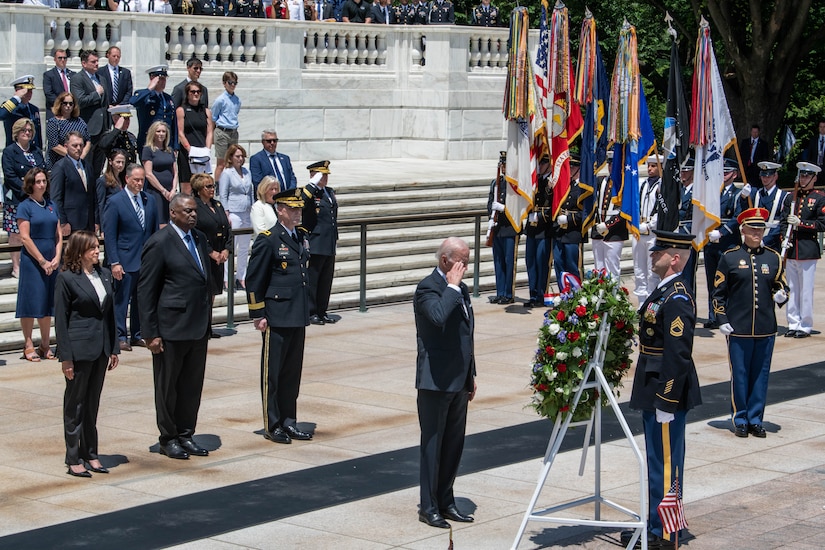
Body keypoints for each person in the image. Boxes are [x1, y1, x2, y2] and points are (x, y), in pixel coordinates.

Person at [628, 230, 701, 549]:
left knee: (667, 463)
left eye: (659, 252)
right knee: (657, 462)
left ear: (675, 259)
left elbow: (678, 352)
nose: (652, 255)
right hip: (653, 384)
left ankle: (667, 533)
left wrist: (667, 400)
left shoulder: (678, 296)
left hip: (665, 389)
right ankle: (655, 523)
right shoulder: (663, 291)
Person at [138, 194, 212, 460]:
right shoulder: (159, 243)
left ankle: (185, 433)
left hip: (197, 327)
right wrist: (150, 333)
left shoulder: (200, 239)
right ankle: (168, 437)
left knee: (192, 385)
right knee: (168, 386)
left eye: (194, 211)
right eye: (187, 211)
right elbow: (146, 291)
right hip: (170, 328)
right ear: (173, 213)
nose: (192, 215)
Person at [414, 237, 476, 529]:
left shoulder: (460, 290)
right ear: (445, 261)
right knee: (433, 446)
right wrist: (451, 286)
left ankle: (446, 500)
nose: (466, 267)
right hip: (435, 381)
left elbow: (466, 336)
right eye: (462, 261)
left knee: (454, 445)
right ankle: (429, 506)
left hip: (458, 381)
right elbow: (438, 317)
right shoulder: (429, 288)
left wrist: (470, 375)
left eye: (468, 261)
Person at [712, 208, 788, 438]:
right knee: (741, 375)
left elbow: (780, 284)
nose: (757, 233)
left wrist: (782, 294)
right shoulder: (730, 257)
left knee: (760, 375)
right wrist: (721, 319)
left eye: (760, 229)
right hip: (739, 327)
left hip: (765, 327)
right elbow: (718, 293)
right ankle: (741, 418)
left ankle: (756, 419)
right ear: (743, 230)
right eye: (753, 229)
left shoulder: (773, 257)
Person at [246, 188, 313, 445]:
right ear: (280, 210)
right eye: (292, 209)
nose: (298, 213)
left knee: (291, 374)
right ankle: (272, 424)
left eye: (299, 209)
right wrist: (258, 313)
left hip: (296, 313)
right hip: (276, 315)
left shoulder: (300, 236)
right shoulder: (268, 239)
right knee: (272, 375)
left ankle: (289, 421)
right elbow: (255, 279)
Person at [55, 230, 119, 478]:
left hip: (101, 348)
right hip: (79, 349)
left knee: (92, 404)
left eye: (97, 247)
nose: (96, 251)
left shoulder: (103, 275)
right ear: (79, 251)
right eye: (91, 248)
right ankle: (73, 457)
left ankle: (90, 452)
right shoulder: (67, 279)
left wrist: (113, 347)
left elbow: (110, 315)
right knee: (76, 405)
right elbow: (61, 321)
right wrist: (66, 357)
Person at [103, 164, 159, 351]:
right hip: (125, 259)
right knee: (121, 300)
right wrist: (114, 262)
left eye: (142, 179)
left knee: (140, 299)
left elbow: (153, 231)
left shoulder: (149, 200)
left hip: (145, 260)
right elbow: (110, 234)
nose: (139, 183)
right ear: (127, 179)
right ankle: (120, 336)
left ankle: (137, 334)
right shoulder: (116, 201)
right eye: (136, 179)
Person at [16, 168, 62, 362]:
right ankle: (28, 343)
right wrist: (41, 260)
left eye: (43, 181)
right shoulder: (25, 206)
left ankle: (45, 344)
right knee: (31, 302)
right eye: (38, 182)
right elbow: (25, 237)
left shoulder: (51, 204)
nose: (41, 185)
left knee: (47, 302)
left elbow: (58, 234)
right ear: (31, 184)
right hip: (33, 261)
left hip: (52, 259)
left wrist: (57, 257)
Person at [783, 162, 825, 339]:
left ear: (814, 178)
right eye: (802, 176)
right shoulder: (791, 197)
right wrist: (783, 241)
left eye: (807, 176)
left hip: (807, 249)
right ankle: (793, 322)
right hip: (792, 249)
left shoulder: (819, 198)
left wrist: (802, 224)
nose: (803, 179)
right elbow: (783, 222)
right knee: (792, 288)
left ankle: (805, 325)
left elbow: (822, 224)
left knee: (806, 291)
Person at [2, 118, 47, 278]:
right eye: (24, 130)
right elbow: (10, 176)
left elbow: (43, 169)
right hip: (16, 198)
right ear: (17, 133)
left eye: (29, 130)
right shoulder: (9, 151)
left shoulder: (35, 151)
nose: (27, 133)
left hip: (36, 198)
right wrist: (28, 189)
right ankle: (16, 266)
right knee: (16, 234)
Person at [703, 158, 742, 329]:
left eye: (727, 172)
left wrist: (722, 232)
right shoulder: (712, 192)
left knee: (729, 280)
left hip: (727, 242)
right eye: (722, 172)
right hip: (711, 242)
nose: (724, 175)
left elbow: (738, 218)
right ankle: (714, 316)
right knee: (712, 281)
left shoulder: (738, 194)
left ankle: (730, 314)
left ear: (734, 174)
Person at [192, 172, 232, 336]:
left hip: (219, 255)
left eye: (213, 186)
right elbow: (195, 231)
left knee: (213, 292)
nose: (212, 189)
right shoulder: (195, 206)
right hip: (204, 254)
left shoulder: (217, 205)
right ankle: (199, 328)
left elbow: (227, 229)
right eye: (208, 187)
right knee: (203, 293)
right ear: (199, 189)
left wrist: (226, 249)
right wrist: (210, 252)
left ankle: (207, 327)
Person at [301, 161, 339, 325]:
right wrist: (311, 184)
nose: (325, 178)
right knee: (314, 279)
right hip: (316, 242)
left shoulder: (329, 192)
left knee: (326, 279)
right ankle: (311, 311)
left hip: (329, 242)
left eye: (326, 175)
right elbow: (301, 203)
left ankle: (322, 310)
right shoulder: (309, 192)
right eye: (321, 174)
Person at [51, 131, 103, 237]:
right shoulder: (60, 167)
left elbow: (93, 195)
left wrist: (96, 220)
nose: (78, 148)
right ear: (66, 146)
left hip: (88, 223)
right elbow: (56, 197)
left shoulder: (87, 166)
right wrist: (63, 222)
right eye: (74, 145)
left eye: (81, 145)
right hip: (71, 223)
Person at [70, 49, 111, 178]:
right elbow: (80, 101)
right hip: (88, 128)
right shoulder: (77, 79)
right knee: (86, 163)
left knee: (98, 165)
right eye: (93, 62)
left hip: (102, 129)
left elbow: (106, 103)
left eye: (97, 61)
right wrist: (96, 94)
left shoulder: (102, 79)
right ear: (84, 63)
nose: (96, 64)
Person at [219, 144, 254, 290]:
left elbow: (251, 191)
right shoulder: (227, 173)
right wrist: (225, 212)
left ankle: (242, 277)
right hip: (234, 212)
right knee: (232, 247)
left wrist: (252, 207)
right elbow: (223, 194)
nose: (240, 159)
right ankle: (227, 278)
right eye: (237, 156)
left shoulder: (246, 172)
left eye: (242, 156)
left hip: (246, 212)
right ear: (231, 157)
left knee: (244, 247)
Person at [738, 161, 790, 252]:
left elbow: (782, 223)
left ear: (775, 176)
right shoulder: (756, 193)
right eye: (763, 176)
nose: (765, 179)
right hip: (755, 239)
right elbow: (745, 211)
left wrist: (765, 240)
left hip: (774, 242)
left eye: (768, 176)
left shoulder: (784, 196)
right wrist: (743, 197)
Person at [591, 156, 627, 280]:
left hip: (615, 230)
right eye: (610, 164)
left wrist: (607, 225)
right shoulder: (601, 181)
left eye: (614, 164)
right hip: (598, 227)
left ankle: (613, 295)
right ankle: (599, 294)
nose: (611, 167)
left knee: (612, 268)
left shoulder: (624, 184)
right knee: (598, 266)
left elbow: (624, 211)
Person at [631, 155, 662, 302]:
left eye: (654, 166)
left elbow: (662, 210)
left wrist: (650, 225)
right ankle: (641, 301)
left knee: (652, 271)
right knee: (639, 269)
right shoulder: (642, 184)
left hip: (652, 234)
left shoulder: (662, 186)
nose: (649, 169)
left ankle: (651, 301)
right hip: (639, 232)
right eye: (648, 165)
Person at [487, 159, 517, 304]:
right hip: (497, 228)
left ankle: (508, 293)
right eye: (502, 165)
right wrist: (490, 217)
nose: (503, 168)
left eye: (506, 165)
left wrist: (504, 209)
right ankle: (500, 292)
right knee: (498, 261)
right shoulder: (495, 183)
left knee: (509, 261)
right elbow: (490, 202)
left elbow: (518, 206)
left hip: (509, 228)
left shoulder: (514, 185)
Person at [175, 81, 213, 195]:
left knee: (202, 185)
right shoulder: (181, 110)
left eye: (198, 92)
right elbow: (180, 133)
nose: (196, 94)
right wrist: (189, 149)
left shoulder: (206, 111)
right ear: (187, 93)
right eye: (193, 91)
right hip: (187, 152)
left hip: (202, 152)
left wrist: (207, 149)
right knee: (187, 187)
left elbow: (210, 131)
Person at [524, 156, 552, 308]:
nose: (540, 165)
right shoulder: (534, 181)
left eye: (543, 162)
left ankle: (542, 294)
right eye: (539, 162)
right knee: (531, 263)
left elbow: (554, 206)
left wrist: (540, 216)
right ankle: (533, 294)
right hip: (532, 229)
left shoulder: (552, 183)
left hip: (544, 229)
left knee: (542, 263)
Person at [130, 65, 178, 152]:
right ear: (152, 78)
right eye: (160, 79)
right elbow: (133, 102)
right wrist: (149, 88)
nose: (163, 82)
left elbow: (173, 123)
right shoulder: (144, 95)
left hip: (166, 143)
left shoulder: (168, 98)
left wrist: (175, 146)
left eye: (164, 79)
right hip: (149, 142)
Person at [141, 121, 178, 227]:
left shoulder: (169, 151)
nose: (161, 134)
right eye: (158, 131)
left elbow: (175, 172)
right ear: (153, 133)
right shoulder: (148, 150)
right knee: (160, 222)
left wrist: (173, 190)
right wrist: (163, 191)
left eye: (163, 131)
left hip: (170, 191)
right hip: (156, 191)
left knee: (171, 220)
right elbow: (148, 173)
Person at [46, 91, 92, 169]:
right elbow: (54, 145)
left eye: (71, 104)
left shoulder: (80, 121)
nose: (68, 106)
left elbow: (88, 141)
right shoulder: (53, 122)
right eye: (65, 103)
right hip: (59, 164)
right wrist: (73, 155)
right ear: (60, 104)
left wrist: (82, 155)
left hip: (78, 163)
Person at [211, 72, 241, 182]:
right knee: (221, 163)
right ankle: (217, 186)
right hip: (222, 132)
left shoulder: (237, 100)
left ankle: (230, 183)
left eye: (235, 83)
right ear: (224, 83)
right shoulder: (220, 100)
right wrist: (211, 136)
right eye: (230, 83)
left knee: (234, 160)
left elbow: (235, 114)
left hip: (233, 132)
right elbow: (213, 118)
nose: (232, 85)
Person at [0, 75, 43, 149]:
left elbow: (38, 134)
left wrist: (39, 150)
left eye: (31, 90)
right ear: (18, 91)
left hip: (33, 150)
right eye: (27, 91)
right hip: (15, 151)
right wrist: (16, 98)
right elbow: (1, 115)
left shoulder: (34, 109)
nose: (30, 93)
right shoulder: (10, 107)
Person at [42, 50, 74, 119]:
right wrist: (63, 104)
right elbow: (48, 93)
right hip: (56, 112)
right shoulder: (49, 75)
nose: (63, 60)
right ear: (55, 59)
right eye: (60, 58)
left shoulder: (73, 75)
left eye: (65, 58)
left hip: (71, 112)